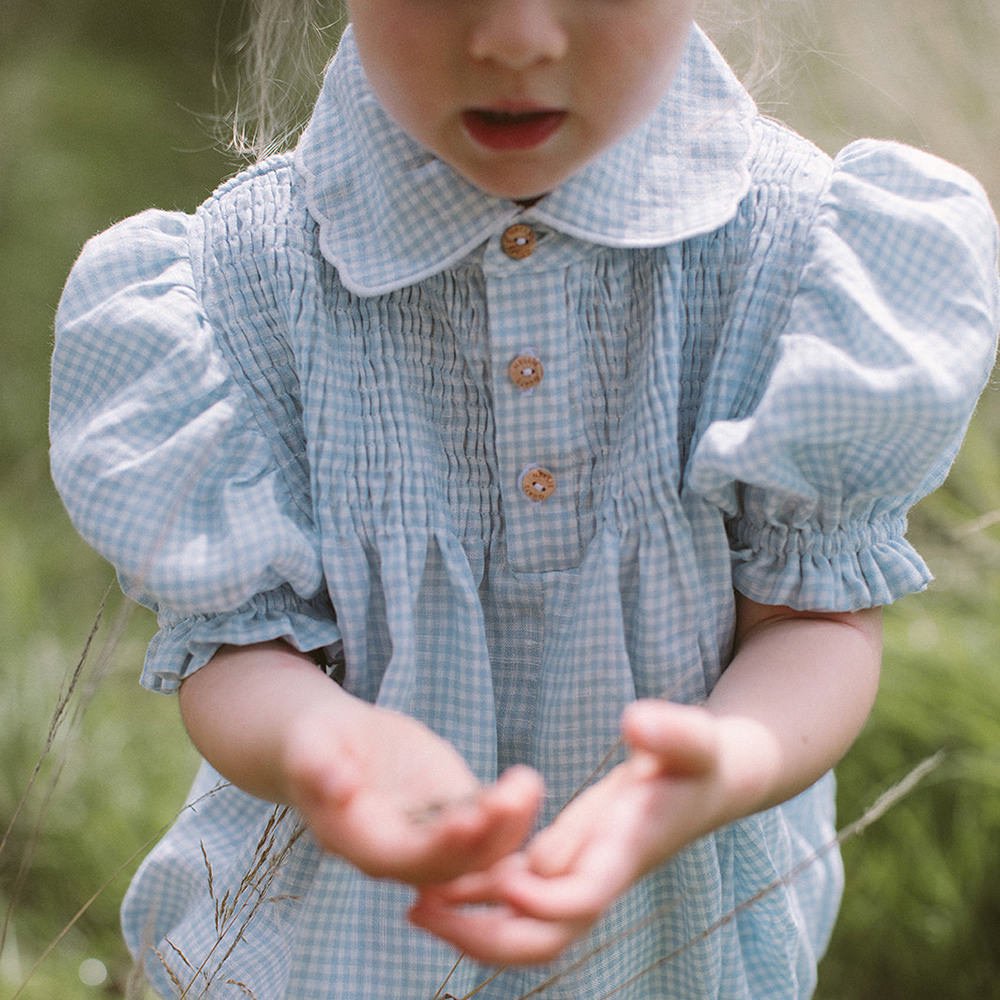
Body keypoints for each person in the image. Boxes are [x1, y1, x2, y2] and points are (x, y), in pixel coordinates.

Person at [49, 0, 998, 996]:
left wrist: (728, 756)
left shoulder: (791, 257)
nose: (515, 40)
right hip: (332, 937)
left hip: (664, 933)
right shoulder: (250, 279)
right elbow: (239, 647)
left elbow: (812, 621)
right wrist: (317, 744)